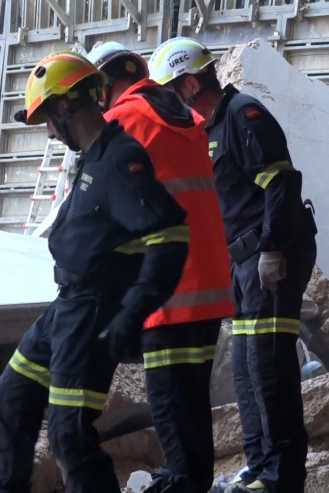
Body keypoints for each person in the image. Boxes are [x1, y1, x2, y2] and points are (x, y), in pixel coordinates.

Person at [0, 51, 191, 493]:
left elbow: (170, 236)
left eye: (47, 119)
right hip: (67, 306)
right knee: (10, 400)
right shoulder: (93, 159)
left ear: (65, 107)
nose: (49, 132)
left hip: (94, 311)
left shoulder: (120, 159)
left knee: (69, 434)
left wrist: (131, 314)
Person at [149, 37, 318, 493]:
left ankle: (281, 478)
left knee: (268, 368)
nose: (165, 103)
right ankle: (260, 466)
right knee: (245, 369)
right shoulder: (208, 129)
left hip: (269, 256)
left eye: (167, 92)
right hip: (241, 263)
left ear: (187, 85)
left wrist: (271, 248)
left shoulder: (244, 114)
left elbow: (279, 183)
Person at [85, 41, 233, 492]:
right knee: (190, 402)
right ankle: (191, 481)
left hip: (169, 289)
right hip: (206, 284)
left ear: (105, 87)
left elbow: (99, 213)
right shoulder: (180, 114)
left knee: (171, 402)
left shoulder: (122, 120)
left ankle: (184, 484)